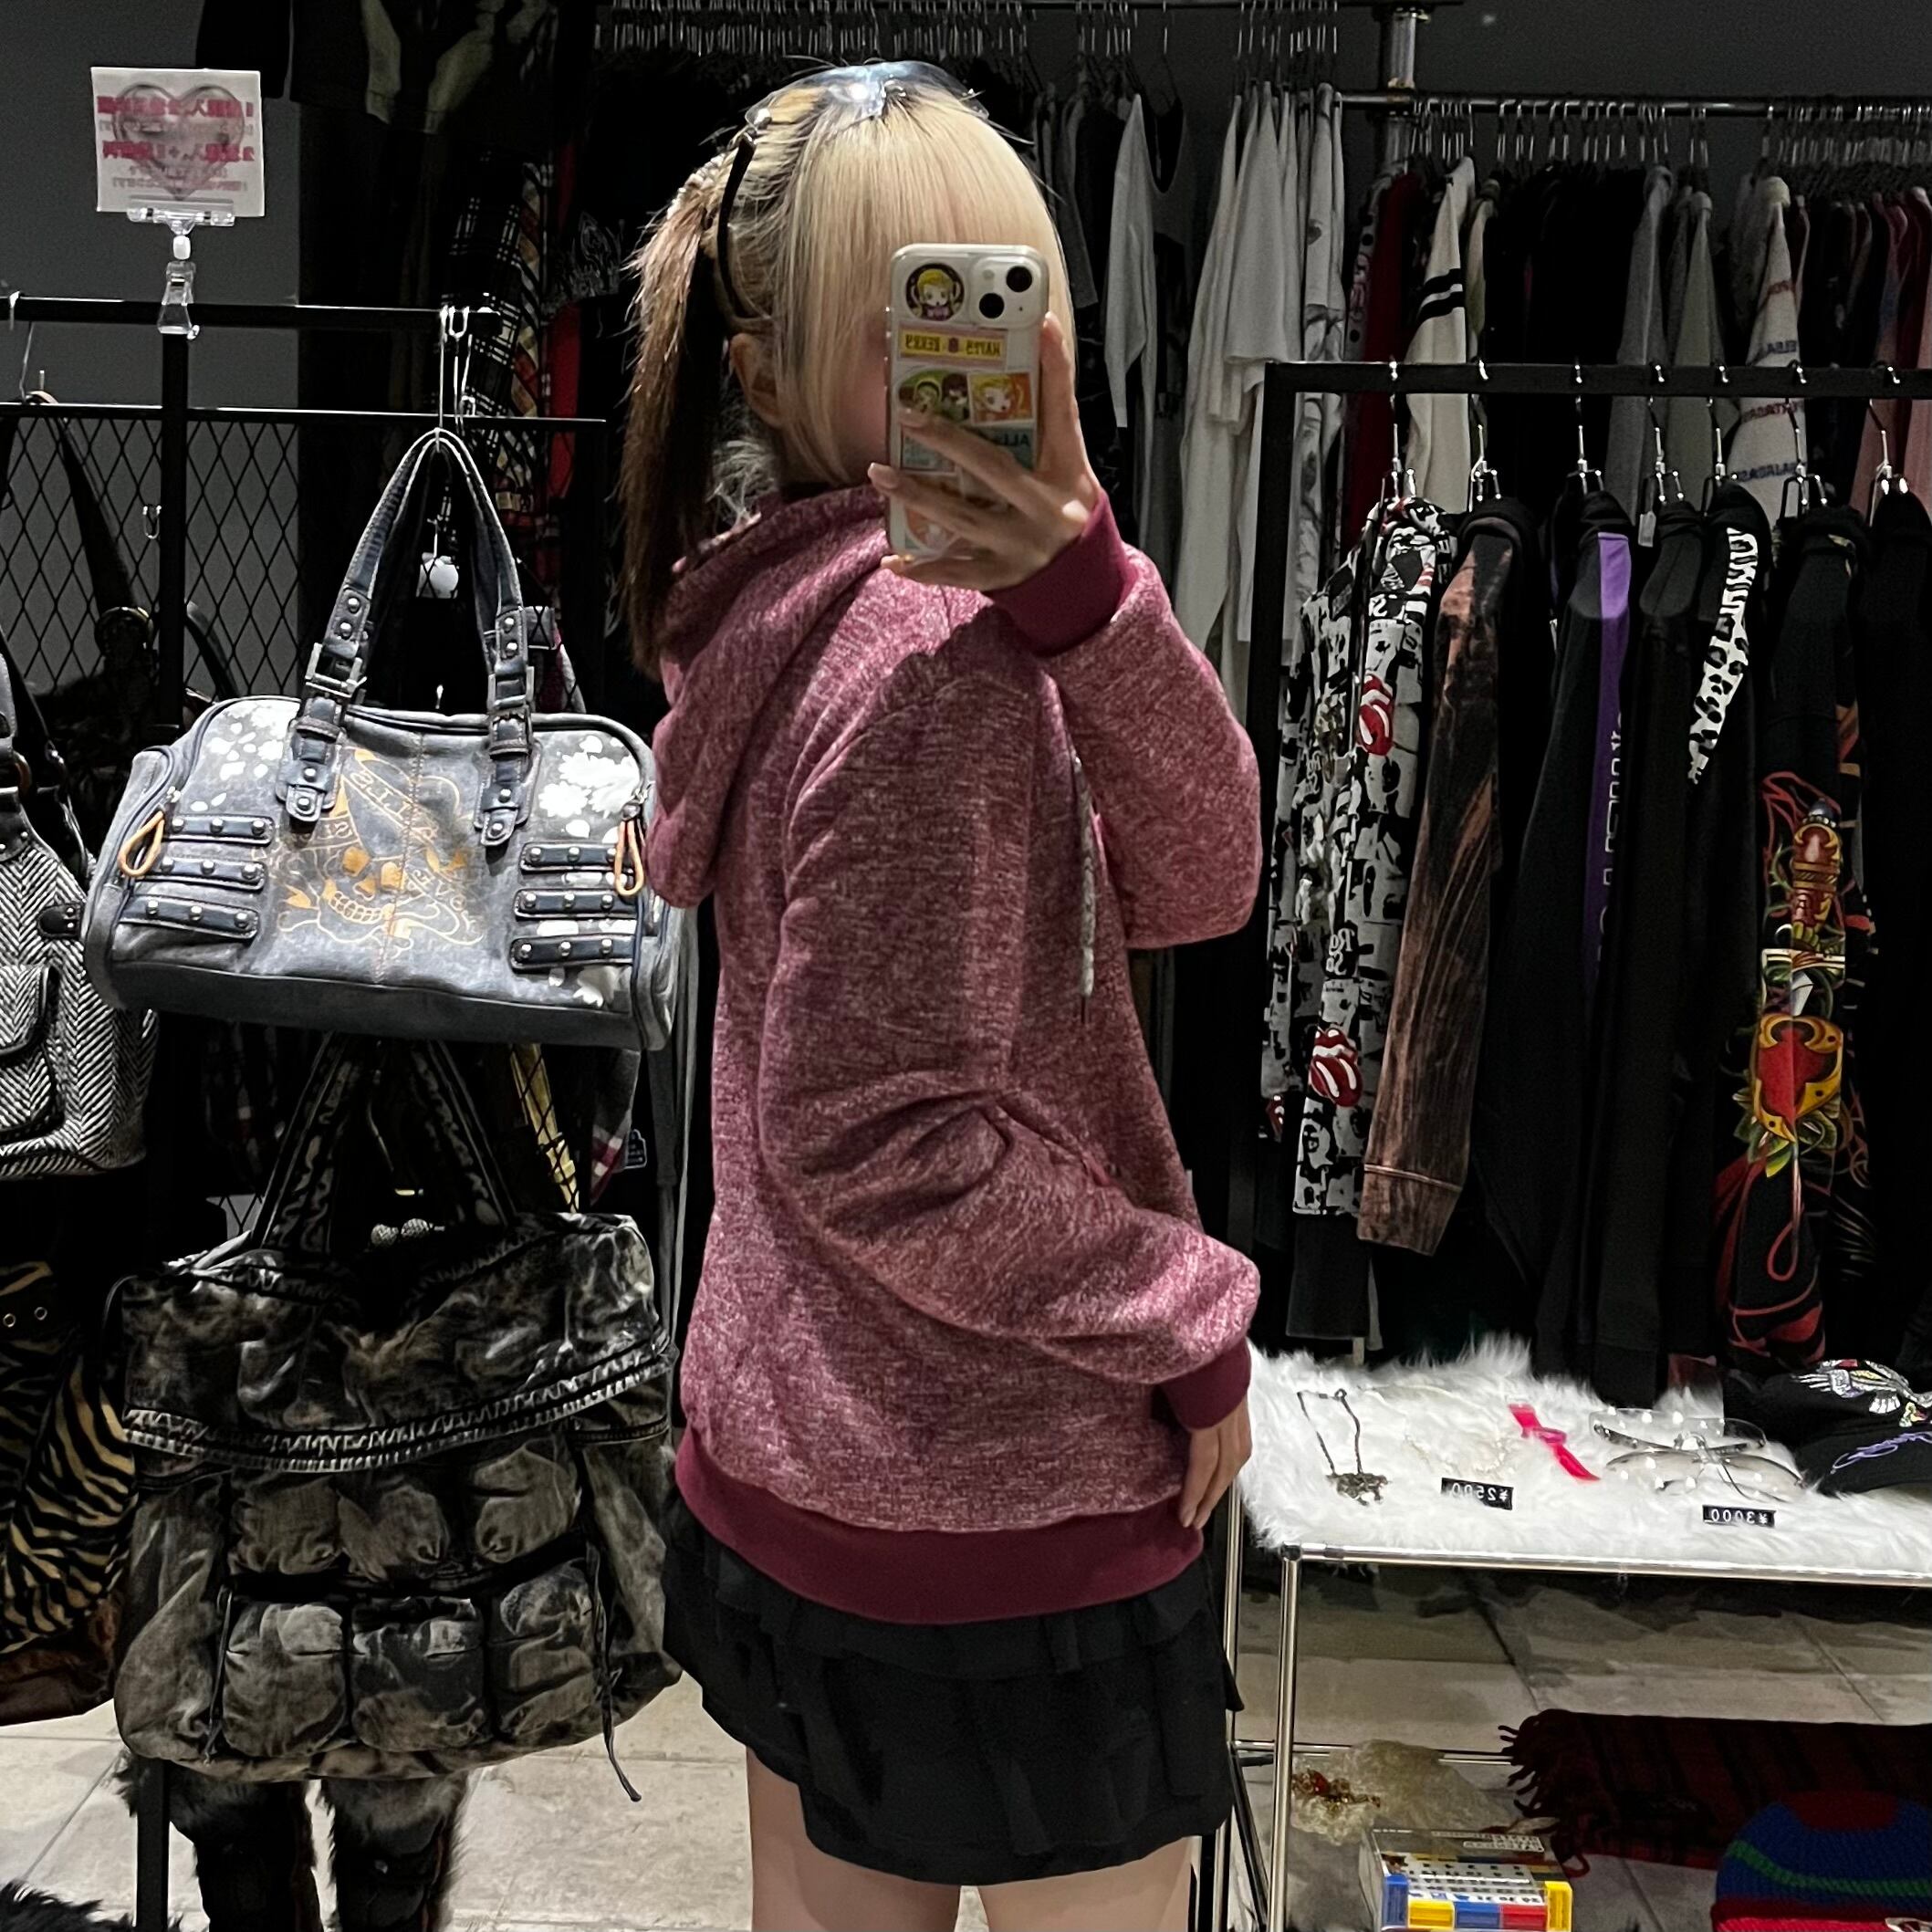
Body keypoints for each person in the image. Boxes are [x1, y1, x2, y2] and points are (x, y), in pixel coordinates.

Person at [621, 62, 1262, 1932]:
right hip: (1001, 1496)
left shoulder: (768, 610)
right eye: (918, 314)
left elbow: (1198, 872)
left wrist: (1086, 595)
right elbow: (883, 1139)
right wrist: (1186, 1318)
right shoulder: (928, 658)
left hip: (799, 1456)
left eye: (994, 296)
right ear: (767, 375)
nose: (977, 354)